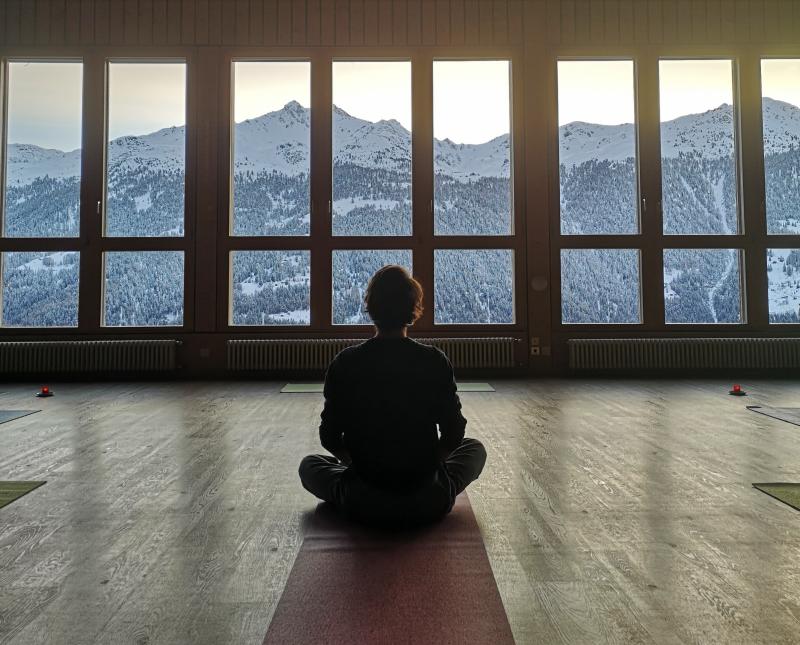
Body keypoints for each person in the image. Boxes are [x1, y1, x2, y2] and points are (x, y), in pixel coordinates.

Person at [298, 265, 487, 527]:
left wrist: (361, 466)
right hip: (427, 499)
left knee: (309, 465)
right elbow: (455, 432)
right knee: (475, 449)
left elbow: (328, 436)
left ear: (372, 307)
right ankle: (430, 484)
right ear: (413, 308)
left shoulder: (345, 363)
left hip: (362, 500)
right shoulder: (434, 361)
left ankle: (364, 485)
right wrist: (428, 467)